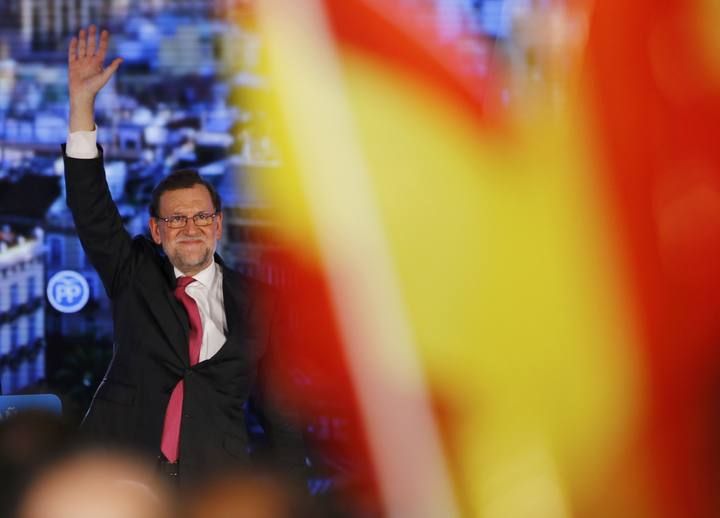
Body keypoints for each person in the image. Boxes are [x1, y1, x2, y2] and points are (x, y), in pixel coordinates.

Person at [62, 25, 305, 485]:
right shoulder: (134, 273)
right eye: (175, 220)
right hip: (121, 480)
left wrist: (294, 500)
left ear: (218, 224)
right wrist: (81, 105)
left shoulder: (259, 302)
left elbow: (281, 414)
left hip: (211, 489)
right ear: (156, 231)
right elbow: (90, 207)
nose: (189, 228)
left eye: (200, 217)